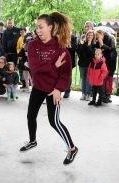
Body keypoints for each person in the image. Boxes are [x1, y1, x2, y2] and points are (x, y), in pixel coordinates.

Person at [19, 12, 78, 165]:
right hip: (38, 87)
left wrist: (59, 89)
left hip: (53, 90)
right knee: (30, 116)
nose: (38, 30)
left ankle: (72, 149)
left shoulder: (62, 50)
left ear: (50, 27)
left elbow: (65, 74)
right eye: (36, 27)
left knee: (54, 122)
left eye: (41, 27)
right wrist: (53, 65)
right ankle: (32, 141)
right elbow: (35, 67)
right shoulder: (32, 45)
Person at [95, 29, 116, 103]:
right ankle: (102, 94)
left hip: (110, 62)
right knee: (102, 78)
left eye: (97, 35)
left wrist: (103, 45)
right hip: (102, 62)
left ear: (101, 34)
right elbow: (97, 51)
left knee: (108, 79)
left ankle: (107, 95)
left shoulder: (110, 39)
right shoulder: (97, 42)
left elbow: (112, 49)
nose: (96, 37)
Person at [77, 30, 95, 101]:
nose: (90, 36)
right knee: (83, 79)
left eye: (91, 35)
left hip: (89, 64)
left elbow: (93, 54)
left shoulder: (94, 44)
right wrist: (81, 45)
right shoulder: (83, 43)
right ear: (86, 36)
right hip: (82, 63)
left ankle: (88, 93)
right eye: (88, 35)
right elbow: (78, 52)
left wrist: (89, 45)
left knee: (88, 79)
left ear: (93, 36)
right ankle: (83, 93)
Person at [63, 32, 77, 98]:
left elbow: (74, 47)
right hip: (60, 59)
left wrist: (66, 44)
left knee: (68, 76)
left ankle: (67, 91)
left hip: (69, 59)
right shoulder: (60, 36)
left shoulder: (73, 37)